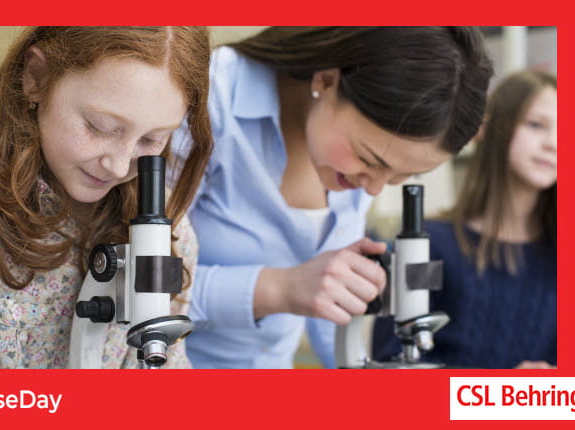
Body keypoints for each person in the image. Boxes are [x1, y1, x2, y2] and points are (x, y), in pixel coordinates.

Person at [170, 27, 493, 368]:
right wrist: (280, 289)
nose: (373, 188)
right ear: (326, 81)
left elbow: (330, 318)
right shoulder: (211, 95)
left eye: (401, 176)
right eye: (370, 159)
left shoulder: (352, 167)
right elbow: (134, 284)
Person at [0, 26, 213, 368]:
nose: (117, 166)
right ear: (36, 77)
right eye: (99, 126)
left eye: (152, 139)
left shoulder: (170, 229)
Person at [373, 69, 557, 369]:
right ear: (489, 129)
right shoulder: (429, 247)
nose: (554, 143)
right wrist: (499, 396)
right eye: (537, 125)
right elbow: (390, 364)